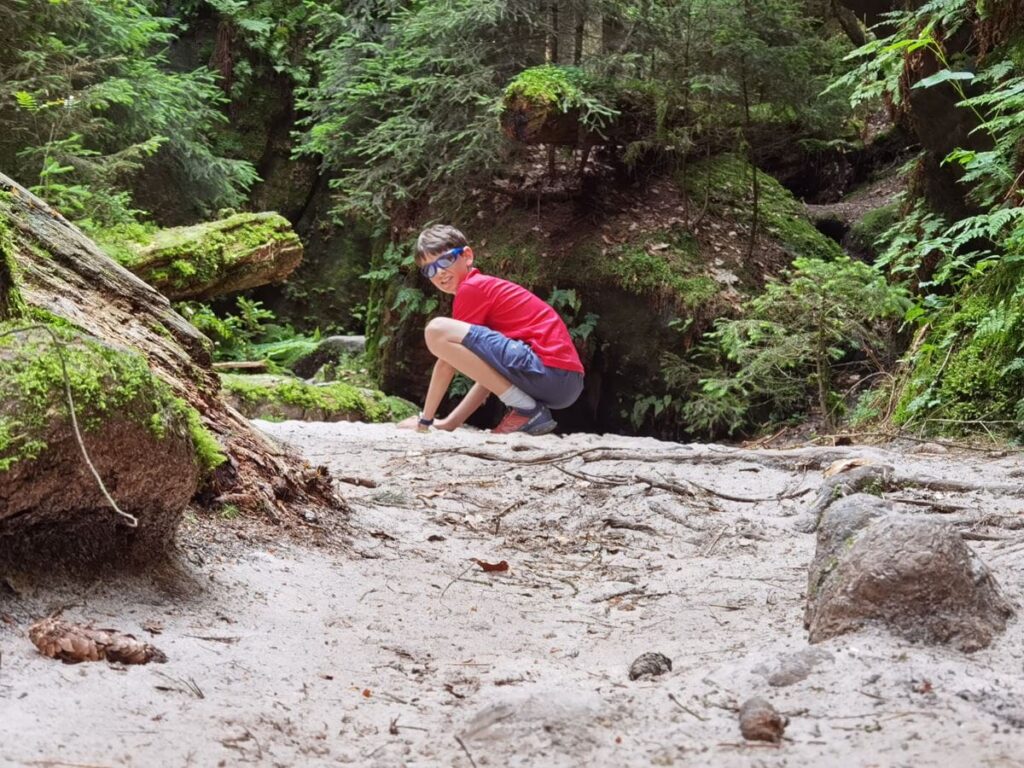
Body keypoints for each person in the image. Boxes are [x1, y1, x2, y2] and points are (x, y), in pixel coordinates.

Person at [396, 224, 584, 435]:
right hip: (563, 384)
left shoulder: (471, 288)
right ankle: (526, 410)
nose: (439, 272)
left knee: (436, 330)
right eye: (429, 269)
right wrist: (449, 423)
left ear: (467, 256)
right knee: (448, 337)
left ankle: (527, 410)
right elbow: (487, 376)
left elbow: (446, 362)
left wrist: (425, 422)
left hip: (551, 371)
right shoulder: (478, 289)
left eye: (446, 260)